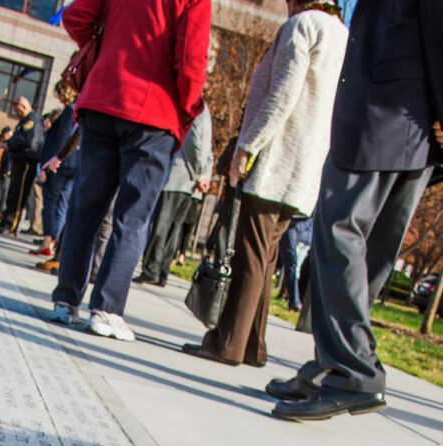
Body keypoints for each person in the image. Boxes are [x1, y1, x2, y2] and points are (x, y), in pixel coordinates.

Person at [269, 0, 443, 420]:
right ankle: (333, 363)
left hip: (390, 107)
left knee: (339, 229)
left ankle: (353, 371)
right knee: (372, 244)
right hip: (409, 112)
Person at [183, 0, 347, 367]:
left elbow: (283, 93)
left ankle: (227, 344)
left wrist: (247, 146)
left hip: (277, 160)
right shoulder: (342, 36)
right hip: (304, 167)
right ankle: (253, 346)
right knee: (266, 255)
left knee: (250, 256)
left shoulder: (303, 25)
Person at [50, 0, 211, 341]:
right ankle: (106, 309)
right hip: (155, 111)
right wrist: (188, 107)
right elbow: (192, 59)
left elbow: (76, 16)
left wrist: (107, 48)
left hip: (103, 97)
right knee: (133, 215)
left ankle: (65, 300)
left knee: (85, 208)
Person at [134, 103, 213, 287]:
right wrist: (204, 175)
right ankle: (162, 271)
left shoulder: (194, 105)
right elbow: (207, 148)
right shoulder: (205, 110)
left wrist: (200, 173)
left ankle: (152, 269)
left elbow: (195, 141)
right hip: (190, 182)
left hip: (179, 175)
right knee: (174, 228)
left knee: (162, 224)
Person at [33, 80, 79, 259]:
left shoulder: (69, 112)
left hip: (59, 164)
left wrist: (46, 164)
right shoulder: (75, 111)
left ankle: (48, 241)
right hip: (73, 164)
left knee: (51, 201)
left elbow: (60, 140)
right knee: (62, 202)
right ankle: (53, 241)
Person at [0, 96, 43, 234]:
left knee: (19, 195)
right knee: (12, 193)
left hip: (26, 162)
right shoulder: (24, 121)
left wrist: (9, 144)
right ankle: (5, 221)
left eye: (18, 111)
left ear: (25, 107)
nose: (17, 114)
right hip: (19, 161)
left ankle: (11, 225)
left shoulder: (31, 121)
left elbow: (29, 142)